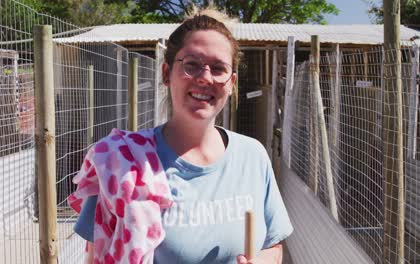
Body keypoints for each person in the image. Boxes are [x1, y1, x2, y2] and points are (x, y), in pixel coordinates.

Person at [69, 6, 293, 264]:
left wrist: (263, 261)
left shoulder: (253, 156)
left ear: (231, 83)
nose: (205, 78)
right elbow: (94, 257)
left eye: (218, 68)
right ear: (166, 73)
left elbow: (274, 247)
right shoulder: (120, 163)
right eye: (192, 65)